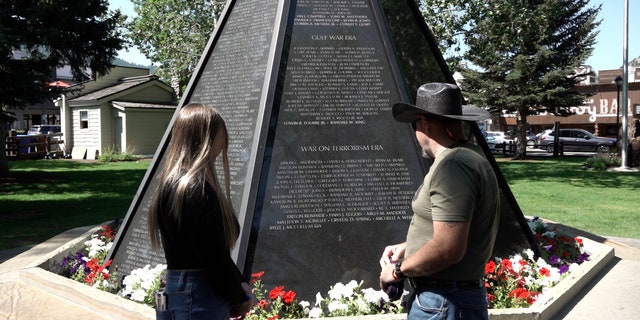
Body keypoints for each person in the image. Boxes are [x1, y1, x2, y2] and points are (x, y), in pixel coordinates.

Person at [379, 83, 500, 319]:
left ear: (425, 122)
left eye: (414, 124)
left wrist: (395, 271)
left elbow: (448, 248)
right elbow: (456, 228)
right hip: (449, 300)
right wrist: (408, 247)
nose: (415, 132)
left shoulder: (454, 166)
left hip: (443, 302)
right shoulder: (469, 156)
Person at [148, 103, 252, 320]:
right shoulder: (195, 189)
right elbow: (213, 255)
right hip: (199, 292)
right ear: (206, 139)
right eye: (219, 138)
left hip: (181, 287)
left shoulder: (173, 185)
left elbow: (212, 251)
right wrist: (239, 297)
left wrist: (239, 284)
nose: (221, 147)